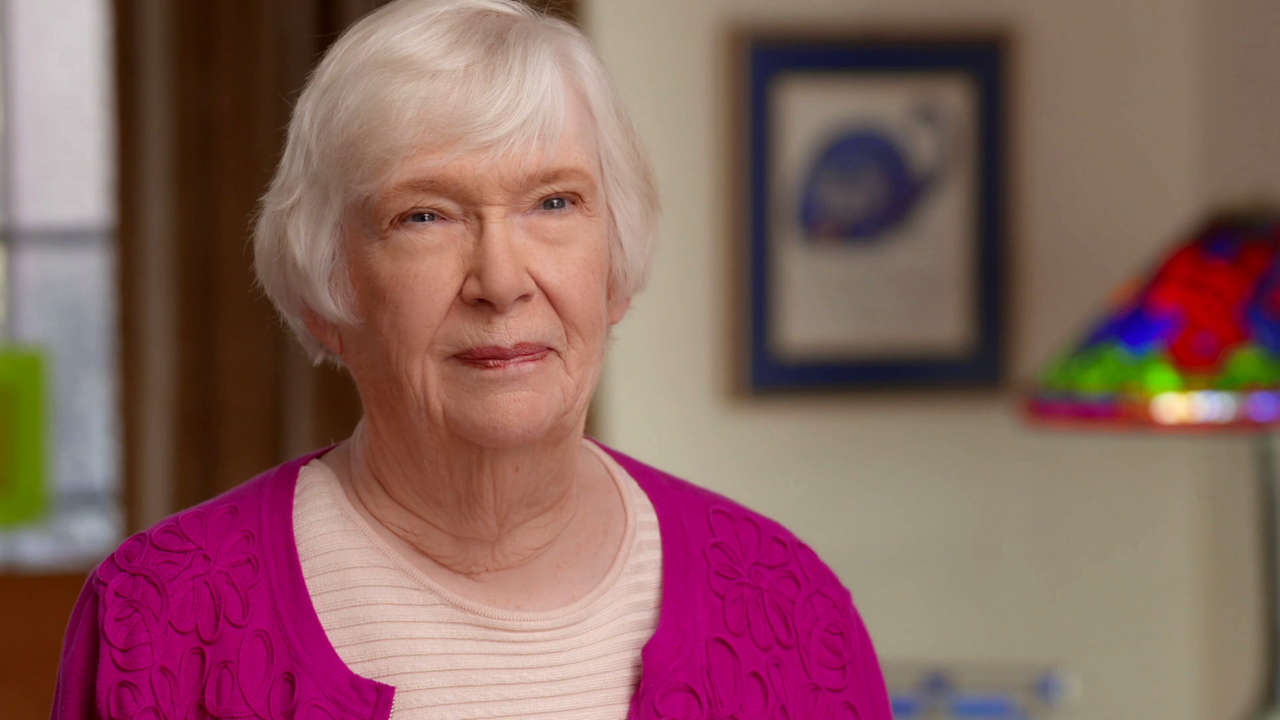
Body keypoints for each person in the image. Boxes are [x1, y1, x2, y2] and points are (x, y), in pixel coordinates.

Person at [51, 1, 891, 718]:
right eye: (425, 216)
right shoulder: (156, 620)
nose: (500, 281)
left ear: (614, 270)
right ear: (330, 290)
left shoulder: (788, 609)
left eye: (553, 202)